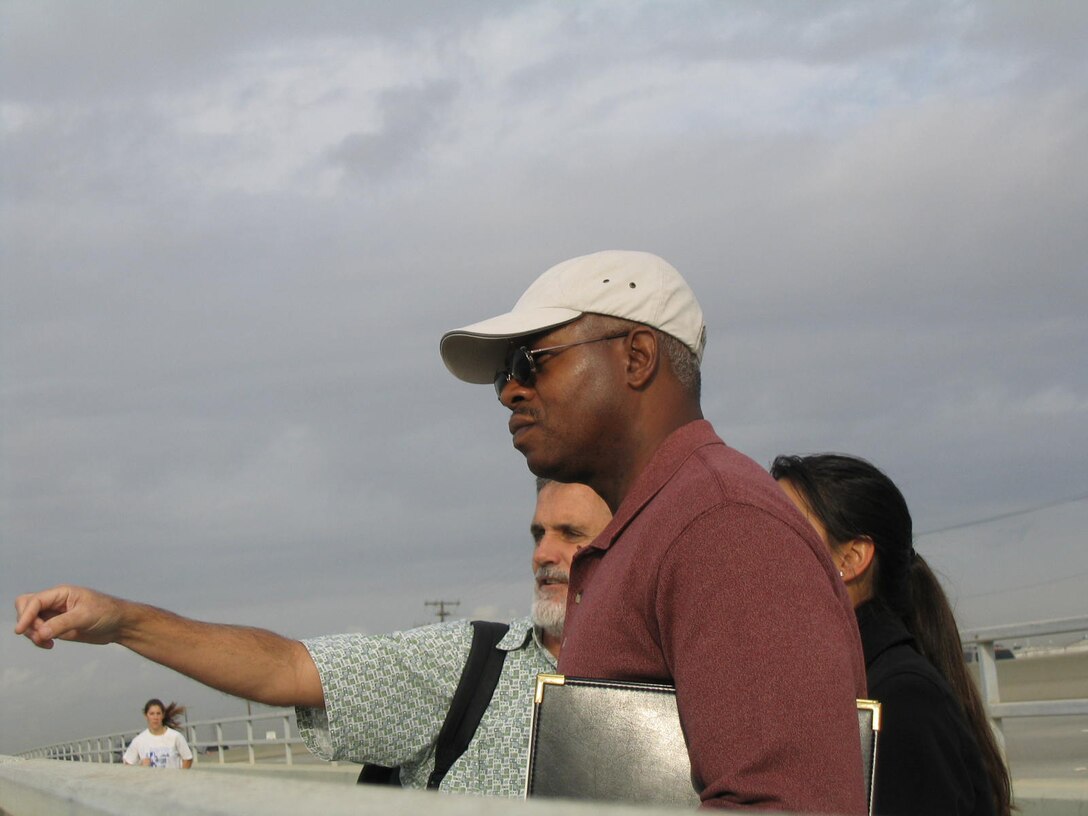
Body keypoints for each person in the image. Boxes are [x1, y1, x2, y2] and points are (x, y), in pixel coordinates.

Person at [440, 250, 869, 813]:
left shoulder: (723, 524)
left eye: (530, 361)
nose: (509, 392)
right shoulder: (661, 524)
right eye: (504, 374)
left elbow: (790, 803)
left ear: (637, 358)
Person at [14, 480, 612, 796]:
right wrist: (124, 621)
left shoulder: (688, 675)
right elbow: (286, 669)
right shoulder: (471, 664)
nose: (543, 554)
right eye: (538, 532)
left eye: (570, 534)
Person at [771, 453, 1011, 816]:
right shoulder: (841, 680)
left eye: (785, 529)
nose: (758, 547)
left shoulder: (900, 699)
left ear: (851, 559)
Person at [123, 698, 193, 769]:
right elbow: (128, 764)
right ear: (146, 715)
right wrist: (140, 765)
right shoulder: (138, 741)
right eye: (152, 714)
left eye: (158, 713)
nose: (155, 717)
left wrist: (181, 776)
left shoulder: (175, 736)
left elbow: (187, 758)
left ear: (163, 715)